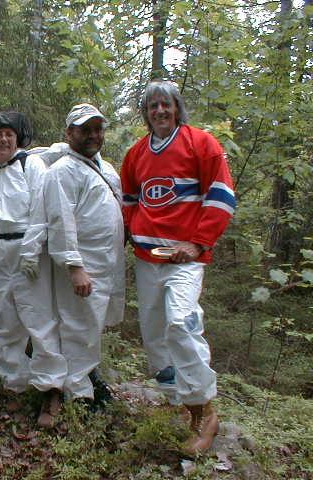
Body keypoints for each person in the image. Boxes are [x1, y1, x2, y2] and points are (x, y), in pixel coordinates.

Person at [120, 80, 236, 455]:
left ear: (176, 107)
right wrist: (130, 236)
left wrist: (198, 242)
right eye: (152, 106)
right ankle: (178, 403)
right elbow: (129, 203)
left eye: (165, 104)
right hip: (146, 258)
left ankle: (205, 411)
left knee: (180, 323)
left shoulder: (201, 144)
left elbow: (221, 196)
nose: (159, 111)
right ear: (145, 113)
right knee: (154, 333)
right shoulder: (136, 154)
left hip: (184, 258)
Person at [0, 112, 67, 428]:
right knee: (3, 320)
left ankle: (52, 390)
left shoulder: (31, 165)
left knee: (40, 318)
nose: (2, 139)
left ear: (18, 137)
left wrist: (32, 251)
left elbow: (43, 210)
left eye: (8, 134)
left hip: (29, 247)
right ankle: (14, 385)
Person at [41, 103, 126, 404]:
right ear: (69, 133)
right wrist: (74, 266)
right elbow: (60, 221)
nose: (93, 135)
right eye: (85, 130)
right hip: (83, 267)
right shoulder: (63, 171)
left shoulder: (106, 168)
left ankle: (85, 380)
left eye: (97, 129)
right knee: (79, 329)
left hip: (106, 264)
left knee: (91, 329)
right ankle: (79, 399)